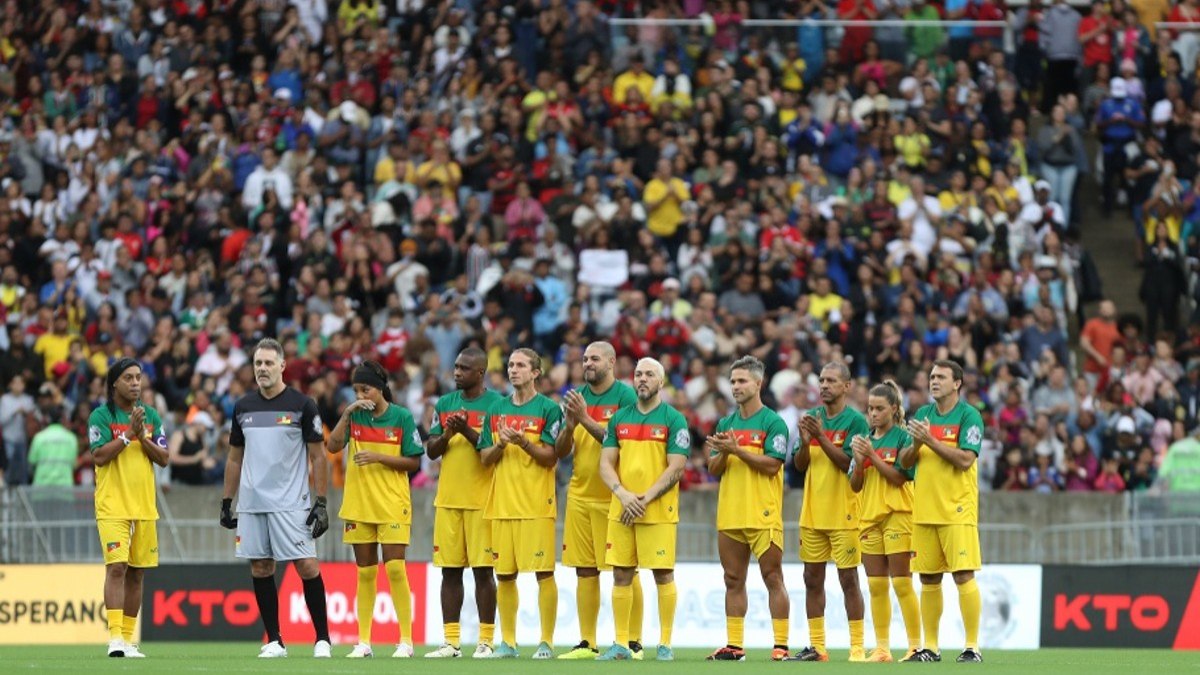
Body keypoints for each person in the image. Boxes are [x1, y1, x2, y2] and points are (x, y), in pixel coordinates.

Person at [220, 338, 332, 659]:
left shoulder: (302, 405)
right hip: (253, 503)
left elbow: (318, 457)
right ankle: (275, 641)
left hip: (291, 503)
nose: (263, 369)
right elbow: (234, 458)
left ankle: (322, 638)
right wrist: (227, 501)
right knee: (260, 568)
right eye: (258, 364)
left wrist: (321, 502)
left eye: (269, 363)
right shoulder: (243, 407)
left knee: (307, 565)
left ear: (282, 366)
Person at [326, 361, 423, 658]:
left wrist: (379, 457)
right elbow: (332, 446)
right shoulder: (354, 417)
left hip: (392, 503)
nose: (360, 394)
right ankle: (363, 642)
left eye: (364, 388)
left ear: (379, 389)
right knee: (365, 573)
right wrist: (345, 414)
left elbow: (414, 462)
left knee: (395, 568)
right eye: (356, 389)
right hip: (359, 504)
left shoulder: (402, 417)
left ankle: (406, 640)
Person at [596, 357, 689, 661]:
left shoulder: (673, 419)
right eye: (638, 374)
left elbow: (676, 467)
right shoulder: (619, 419)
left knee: (662, 574)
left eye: (650, 374)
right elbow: (605, 463)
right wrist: (623, 494)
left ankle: (665, 644)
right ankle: (621, 643)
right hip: (622, 508)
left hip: (657, 511)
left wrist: (644, 498)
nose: (642, 379)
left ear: (661, 381)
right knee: (621, 573)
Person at [556, 341, 644, 660]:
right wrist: (569, 426)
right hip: (580, 493)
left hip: (614, 495)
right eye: (584, 358)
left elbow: (621, 441)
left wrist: (583, 418)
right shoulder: (577, 397)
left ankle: (633, 642)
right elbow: (561, 451)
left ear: (611, 361)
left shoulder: (626, 397)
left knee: (625, 570)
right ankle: (587, 642)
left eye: (594, 358)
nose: (588, 363)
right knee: (585, 570)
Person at [477, 348, 565, 659]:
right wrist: (501, 443)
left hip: (536, 505)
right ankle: (509, 642)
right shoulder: (496, 410)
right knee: (504, 575)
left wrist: (524, 442)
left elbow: (551, 457)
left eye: (521, 365)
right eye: (511, 365)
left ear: (536, 372)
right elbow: (485, 459)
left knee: (543, 573)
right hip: (502, 504)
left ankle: (546, 642)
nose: (513, 370)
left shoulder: (549, 409)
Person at [705, 355, 793, 661]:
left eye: (742, 381)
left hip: (762, 512)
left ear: (759, 383)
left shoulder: (773, 422)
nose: (736, 386)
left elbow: (772, 465)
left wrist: (736, 450)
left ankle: (781, 646)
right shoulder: (725, 424)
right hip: (730, 513)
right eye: (732, 381)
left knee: (772, 577)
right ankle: (734, 646)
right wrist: (723, 452)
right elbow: (714, 468)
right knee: (732, 579)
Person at [899, 360, 986, 663]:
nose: (934, 381)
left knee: (963, 575)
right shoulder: (922, 415)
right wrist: (916, 443)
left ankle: (972, 647)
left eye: (941, 377)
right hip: (924, 510)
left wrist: (930, 441)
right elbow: (906, 462)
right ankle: (931, 647)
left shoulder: (969, 416)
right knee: (929, 579)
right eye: (932, 377)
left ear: (957, 383)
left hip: (956, 509)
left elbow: (965, 460)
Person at [86, 358, 169, 657]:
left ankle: (128, 640)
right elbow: (99, 456)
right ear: (114, 384)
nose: (136, 383)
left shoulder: (150, 416)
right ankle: (114, 640)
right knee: (117, 568)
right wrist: (127, 435)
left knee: (137, 573)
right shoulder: (100, 416)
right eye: (129, 378)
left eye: (138, 378)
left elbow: (163, 458)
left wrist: (142, 436)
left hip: (144, 506)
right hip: (113, 506)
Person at [425, 347, 503, 659]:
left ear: (480, 373)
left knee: (483, 572)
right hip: (448, 500)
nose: (456, 372)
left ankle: (485, 641)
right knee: (450, 571)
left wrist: (467, 430)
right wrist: (447, 433)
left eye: (464, 368)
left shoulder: (497, 404)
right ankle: (451, 642)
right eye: (456, 367)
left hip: (483, 501)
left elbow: (493, 452)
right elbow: (431, 451)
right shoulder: (444, 404)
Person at [790, 361, 870, 662]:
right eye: (821, 380)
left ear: (846, 386)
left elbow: (848, 463)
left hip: (844, 513)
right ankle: (817, 647)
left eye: (831, 381)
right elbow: (799, 465)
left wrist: (821, 437)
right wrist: (805, 443)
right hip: (812, 512)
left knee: (848, 580)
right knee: (812, 579)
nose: (824, 385)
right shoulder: (811, 417)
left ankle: (858, 647)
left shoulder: (856, 422)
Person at [847, 381, 921, 662]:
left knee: (902, 583)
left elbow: (899, 477)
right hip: (869, 517)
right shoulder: (864, 440)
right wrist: (858, 460)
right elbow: (855, 485)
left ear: (893, 408)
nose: (873, 414)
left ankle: (915, 646)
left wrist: (872, 457)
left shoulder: (902, 439)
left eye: (879, 408)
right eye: (870, 409)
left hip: (898, 515)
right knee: (877, 586)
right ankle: (882, 648)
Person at [28, 406, 80, 487]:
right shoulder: (71, 438)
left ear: (47, 419)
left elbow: (32, 462)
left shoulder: (39, 438)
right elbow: (74, 464)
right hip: (64, 486)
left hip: (42, 486)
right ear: (62, 419)